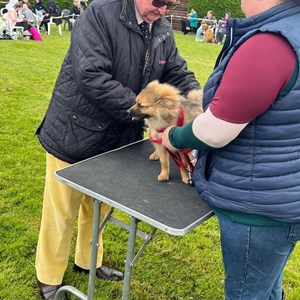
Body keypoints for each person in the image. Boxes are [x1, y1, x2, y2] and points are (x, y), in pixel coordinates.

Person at [35, 0, 201, 299]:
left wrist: (196, 100)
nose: (163, 11)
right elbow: (91, 75)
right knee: (61, 211)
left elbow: (176, 71)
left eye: (171, 4)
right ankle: (49, 277)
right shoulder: (100, 12)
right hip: (76, 129)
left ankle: (88, 262)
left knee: (100, 206)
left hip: (118, 136)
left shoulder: (161, 26)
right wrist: (142, 110)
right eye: (160, 2)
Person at [158, 0, 300, 299]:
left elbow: (216, 130)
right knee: (266, 288)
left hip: (258, 207)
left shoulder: (270, 43)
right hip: (283, 197)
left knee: (247, 294)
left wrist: (174, 136)